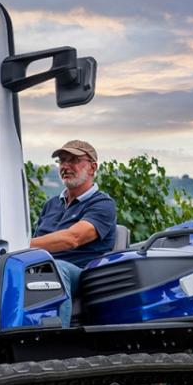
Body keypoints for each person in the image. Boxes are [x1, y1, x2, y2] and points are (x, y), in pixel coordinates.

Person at [29, 140, 117, 326]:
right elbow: (37, 243)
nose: (66, 166)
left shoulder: (102, 204)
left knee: (55, 268)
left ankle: (56, 338)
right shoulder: (51, 204)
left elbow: (72, 239)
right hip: (40, 268)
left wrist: (18, 243)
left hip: (80, 272)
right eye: (62, 161)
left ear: (93, 168)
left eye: (74, 160)